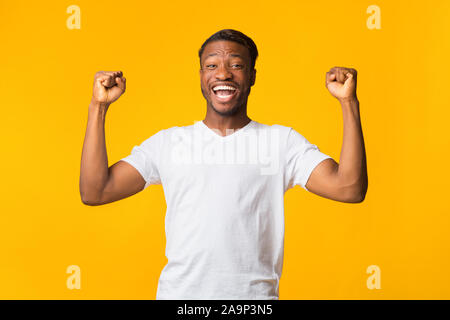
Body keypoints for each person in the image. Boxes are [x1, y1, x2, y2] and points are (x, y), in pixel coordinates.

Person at [79, 29, 368, 300]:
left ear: (252, 75)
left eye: (237, 65)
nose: (223, 74)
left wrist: (348, 102)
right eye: (212, 65)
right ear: (201, 75)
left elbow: (349, 189)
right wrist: (98, 107)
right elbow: (95, 191)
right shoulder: (168, 143)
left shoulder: (280, 143)